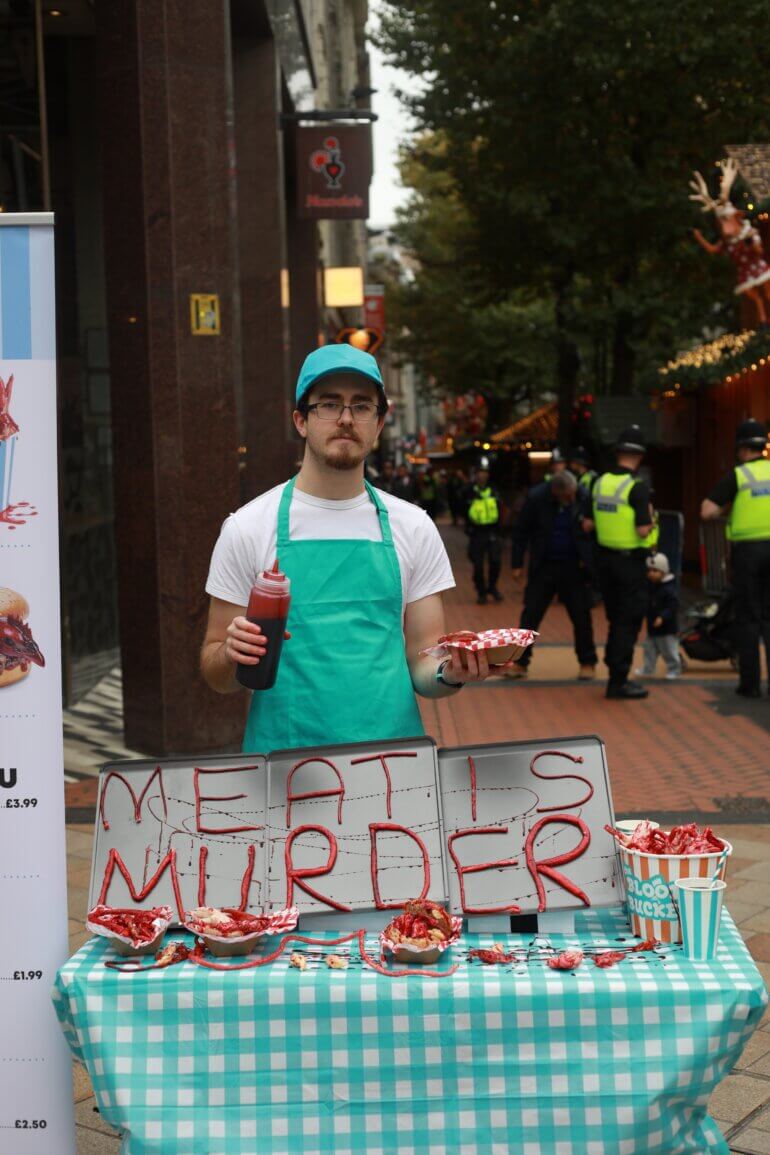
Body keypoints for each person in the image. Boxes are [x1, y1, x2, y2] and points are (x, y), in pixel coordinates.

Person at [200, 344, 497, 752]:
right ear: (301, 421)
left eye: (361, 406)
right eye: (329, 404)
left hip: (392, 766)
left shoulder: (414, 527)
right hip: (285, 767)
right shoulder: (247, 528)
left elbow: (423, 662)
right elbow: (215, 673)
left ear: (378, 424)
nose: (345, 418)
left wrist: (451, 672)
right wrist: (232, 654)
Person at [701, 418, 770, 698]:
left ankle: (750, 685)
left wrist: (728, 510)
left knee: (748, 619)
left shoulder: (738, 476)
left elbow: (707, 511)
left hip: (748, 554)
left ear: (742, 448)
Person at [508, 470, 598, 679]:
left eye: (573, 494)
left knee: (581, 616)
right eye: (567, 496)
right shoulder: (536, 498)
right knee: (531, 615)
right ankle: (520, 662)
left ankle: (588, 662)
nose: (572, 499)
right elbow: (521, 531)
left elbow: (597, 527)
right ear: (556, 492)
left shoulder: (584, 496)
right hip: (544, 566)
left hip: (574, 566)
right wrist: (517, 564)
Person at [587, 425, 655, 700]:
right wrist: (652, 520)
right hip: (630, 565)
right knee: (628, 621)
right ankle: (618, 680)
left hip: (604, 562)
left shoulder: (599, 482)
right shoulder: (637, 488)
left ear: (618, 453)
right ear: (639, 456)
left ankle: (615, 671)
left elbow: (587, 523)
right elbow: (643, 530)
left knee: (615, 619)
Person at [636, 553, 681, 680]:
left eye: (655, 571)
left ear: (664, 572)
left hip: (667, 628)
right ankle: (648, 668)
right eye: (649, 570)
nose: (651, 573)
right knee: (648, 649)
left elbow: (672, 606)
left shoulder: (669, 589)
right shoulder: (652, 586)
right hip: (653, 626)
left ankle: (674, 669)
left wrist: (662, 617)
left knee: (668, 650)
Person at [466, 460, 503, 605]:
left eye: (485, 472)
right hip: (477, 532)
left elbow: (500, 508)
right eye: (480, 472)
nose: (482, 475)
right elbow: (461, 508)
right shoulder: (469, 491)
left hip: (492, 531)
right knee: (478, 565)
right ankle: (481, 592)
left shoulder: (494, 490)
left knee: (495, 561)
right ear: (475, 474)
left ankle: (492, 587)